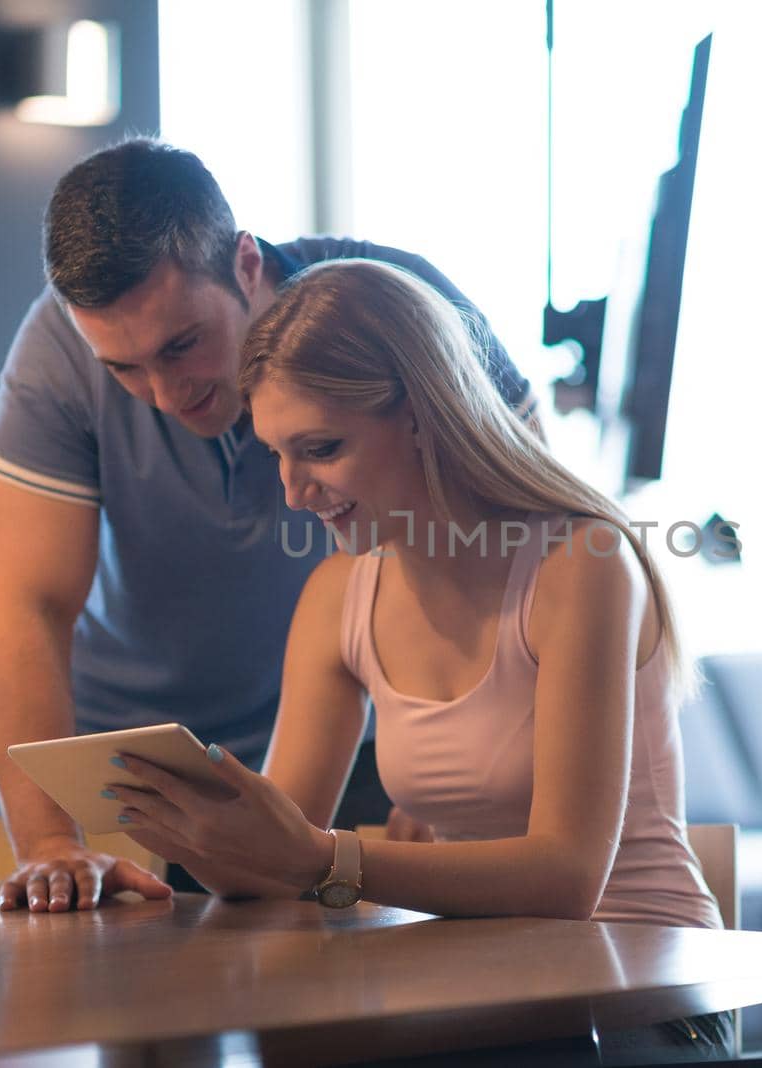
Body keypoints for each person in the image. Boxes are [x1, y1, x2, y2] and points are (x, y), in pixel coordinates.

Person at [104, 259, 730, 1059]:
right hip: (487, 990)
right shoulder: (339, 596)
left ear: (423, 416)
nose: (294, 492)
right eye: (276, 456)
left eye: (321, 449)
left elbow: (565, 881)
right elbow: (274, 859)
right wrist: (175, 848)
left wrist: (325, 858)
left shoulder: (582, 563)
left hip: (649, 995)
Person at [0, 139, 535, 913]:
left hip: (372, 736)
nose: (166, 393)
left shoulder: (390, 309)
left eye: (183, 345)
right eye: (126, 370)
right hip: (152, 764)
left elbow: (521, 519)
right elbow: (23, 609)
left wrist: (457, 742)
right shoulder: (59, 357)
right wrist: (50, 844)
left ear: (245, 264)